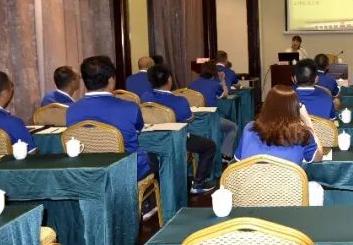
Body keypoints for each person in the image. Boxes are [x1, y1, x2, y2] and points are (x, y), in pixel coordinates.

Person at [66, 56, 152, 180]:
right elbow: (138, 130)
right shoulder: (130, 108)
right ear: (111, 79)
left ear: (84, 81)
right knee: (154, 159)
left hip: (88, 173)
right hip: (127, 170)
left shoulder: (71, 111)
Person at [142, 64, 219, 194]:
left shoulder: (145, 97)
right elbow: (189, 119)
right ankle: (199, 183)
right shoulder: (179, 101)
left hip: (151, 142)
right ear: (169, 79)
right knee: (209, 146)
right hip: (175, 142)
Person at [234, 86, 322, 165]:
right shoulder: (302, 134)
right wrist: (307, 121)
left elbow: (238, 160)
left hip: (249, 178)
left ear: (266, 106)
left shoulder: (249, 128)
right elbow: (318, 158)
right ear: (295, 108)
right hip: (288, 178)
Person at [188, 62, 239, 162]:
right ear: (214, 73)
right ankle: (225, 155)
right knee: (233, 127)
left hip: (194, 123)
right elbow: (225, 95)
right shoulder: (215, 85)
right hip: (210, 121)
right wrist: (222, 81)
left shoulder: (191, 85)